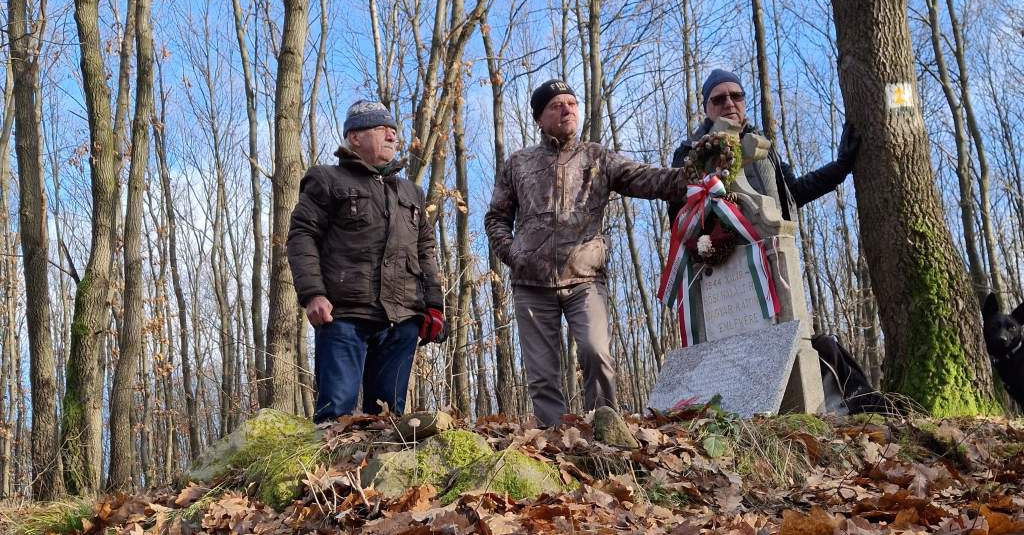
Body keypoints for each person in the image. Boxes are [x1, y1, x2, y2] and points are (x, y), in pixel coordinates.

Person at [484, 80, 692, 427]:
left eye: (572, 103)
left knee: (597, 353)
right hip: (531, 283)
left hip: (585, 279)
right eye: (556, 105)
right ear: (538, 117)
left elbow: (649, 179)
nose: (567, 109)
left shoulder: (597, 157)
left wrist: (694, 174)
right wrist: (512, 252)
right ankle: (552, 440)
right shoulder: (518, 163)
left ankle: (605, 432)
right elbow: (496, 217)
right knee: (541, 373)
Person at [287, 100, 447, 423]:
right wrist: (312, 294)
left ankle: (382, 474)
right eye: (382, 130)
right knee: (335, 415)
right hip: (344, 315)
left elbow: (426, 251)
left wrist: (434, 306)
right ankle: (328, 475)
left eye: (394, 131)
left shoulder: (412, 193)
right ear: (355, 137)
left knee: (389, 419)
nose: (392, 137)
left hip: (402, 320)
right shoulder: (327, 179)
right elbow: (301, 236)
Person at [668, 69, 859, 223]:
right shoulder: (690, 152)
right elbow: (680, 217)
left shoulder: (761, 145)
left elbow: (793, 193)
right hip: (722, 262)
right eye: (719, 99)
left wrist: (840, 168)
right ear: (705, 108)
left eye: (736, 96)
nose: (729, 103)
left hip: (776, 249)